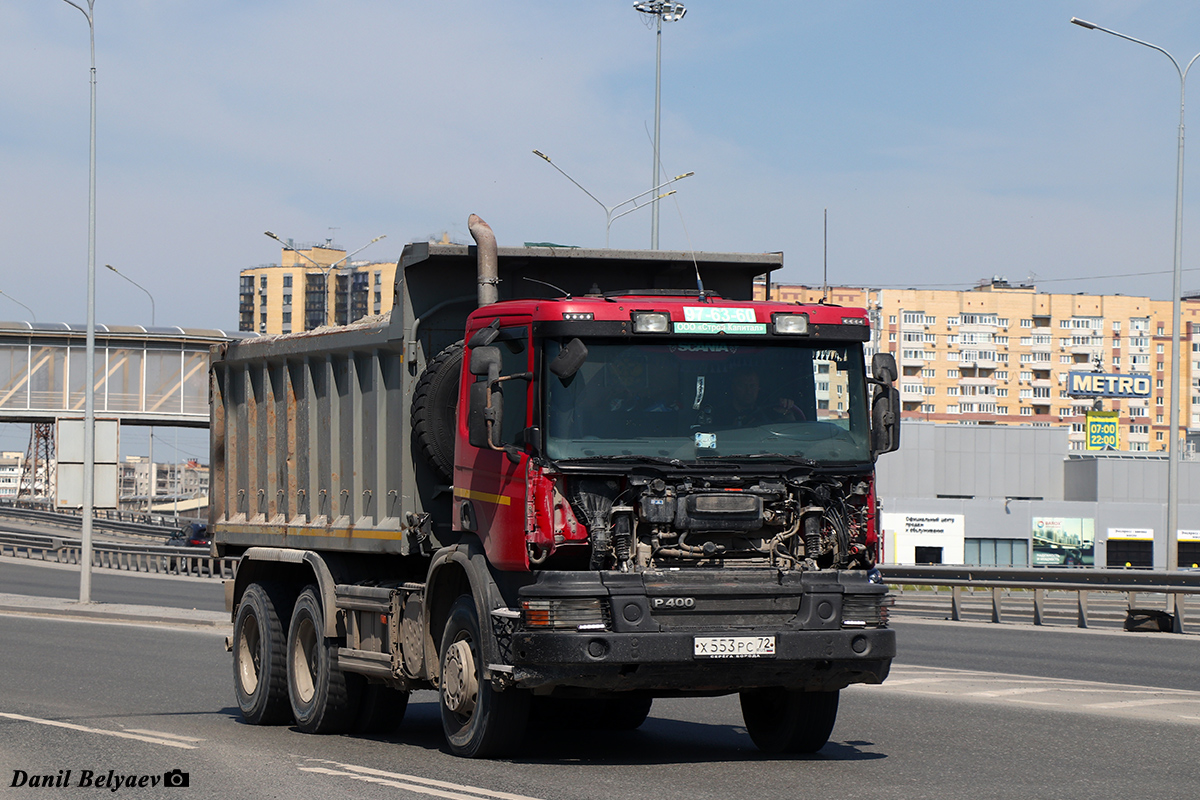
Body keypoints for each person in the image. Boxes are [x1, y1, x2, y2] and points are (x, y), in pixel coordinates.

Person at [720, 367, 803, 427]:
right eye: (742, 386)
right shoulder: (721, 415)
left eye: (752, 386)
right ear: (733, 388)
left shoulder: (769, 413)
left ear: (759, 388)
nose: (748, 391)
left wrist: (787, 413)